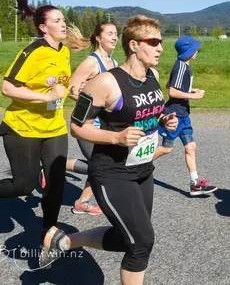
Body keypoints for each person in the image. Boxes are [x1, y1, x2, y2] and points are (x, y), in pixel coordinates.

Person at [39, 15, 177, 285]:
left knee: (128, 237)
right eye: (154, 42)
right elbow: (78, 127)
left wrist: (162, 120)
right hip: (111, 172)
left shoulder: (153, 77)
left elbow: (145, 114)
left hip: (142, 170)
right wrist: (116, 137)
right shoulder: (105, 82)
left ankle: (63, 241)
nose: (160, 47)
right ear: (134, 45)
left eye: (161, 42)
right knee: (141, 243)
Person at [0, 0, 70, 245]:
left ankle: (49, 235)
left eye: (63, 19)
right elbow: (7, 88)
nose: (63, 24)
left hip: (54, 128)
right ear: (43, 27)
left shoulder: (64, 53)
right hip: (22, 127)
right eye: (56, 21)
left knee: (56, 186)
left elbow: (62, 86)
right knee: (23, 186)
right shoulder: (32, 51)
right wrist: (45, 97)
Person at [64, 22, 119, 215]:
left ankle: (53, 167)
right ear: (98, 38)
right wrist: (96, 103)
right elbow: (71, 89)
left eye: (116, 34)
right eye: (110, 34)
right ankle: (81, 201)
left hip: (104, 125)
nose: (114, 37)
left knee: (99, 165)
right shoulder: (92, 62)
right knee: (99, 166)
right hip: (86, 123)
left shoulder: (114, 63)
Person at [154, 34, 217, 196]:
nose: (197, 52)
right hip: (174, 115)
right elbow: (172, 90)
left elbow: (170, 83)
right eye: (195, 49)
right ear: (188, 51)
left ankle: (195, 184)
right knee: (166, 149)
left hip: (184, 115)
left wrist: (191, 90)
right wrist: (194, 96)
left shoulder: (183, 66)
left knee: (191, 146)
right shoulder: (181, 66)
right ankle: (132, 166)